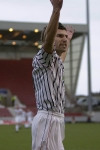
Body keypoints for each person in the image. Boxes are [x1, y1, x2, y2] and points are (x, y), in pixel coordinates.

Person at [32, 0, 75, 149]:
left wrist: (68, 40)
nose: (64, 39)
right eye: (59, 36)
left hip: (57, 120)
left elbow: (62, 57)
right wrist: (56, 9)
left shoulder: (56, 61)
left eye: (65, 36)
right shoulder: (44, 58)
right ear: (49, 39)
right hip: (48, 119)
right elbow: (49, 41)